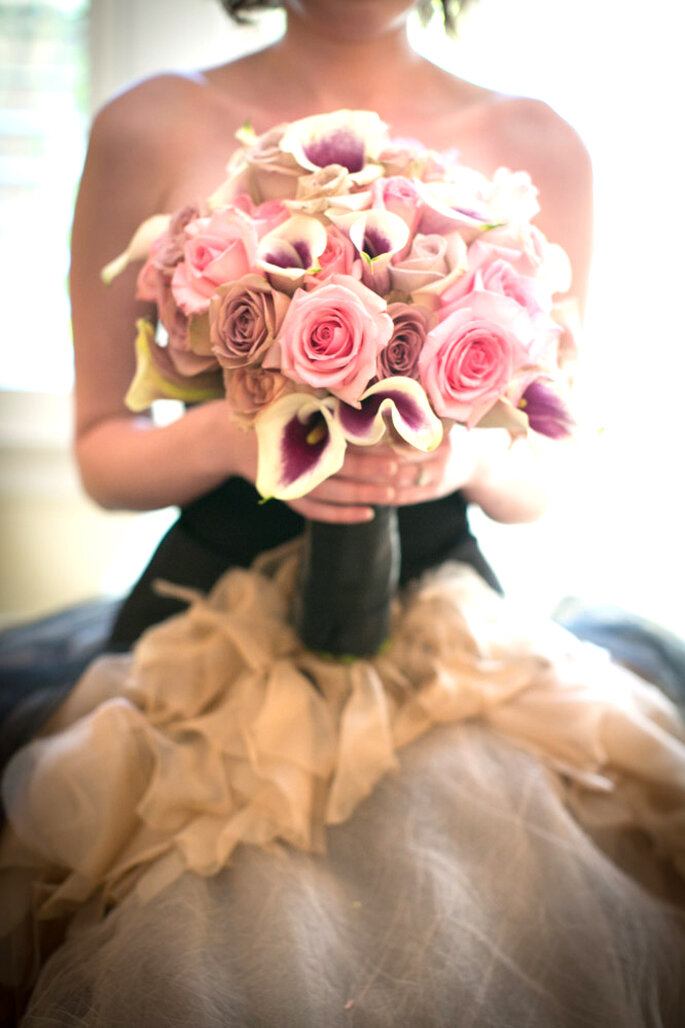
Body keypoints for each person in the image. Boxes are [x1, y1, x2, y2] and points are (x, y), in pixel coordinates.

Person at [1, 1, 684, 1025]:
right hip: (204, 625)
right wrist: (236, 439)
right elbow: (103, 449)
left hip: (446, 630)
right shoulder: (147, 125)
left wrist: (454, 454)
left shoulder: (541, 142)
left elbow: (547, 465)